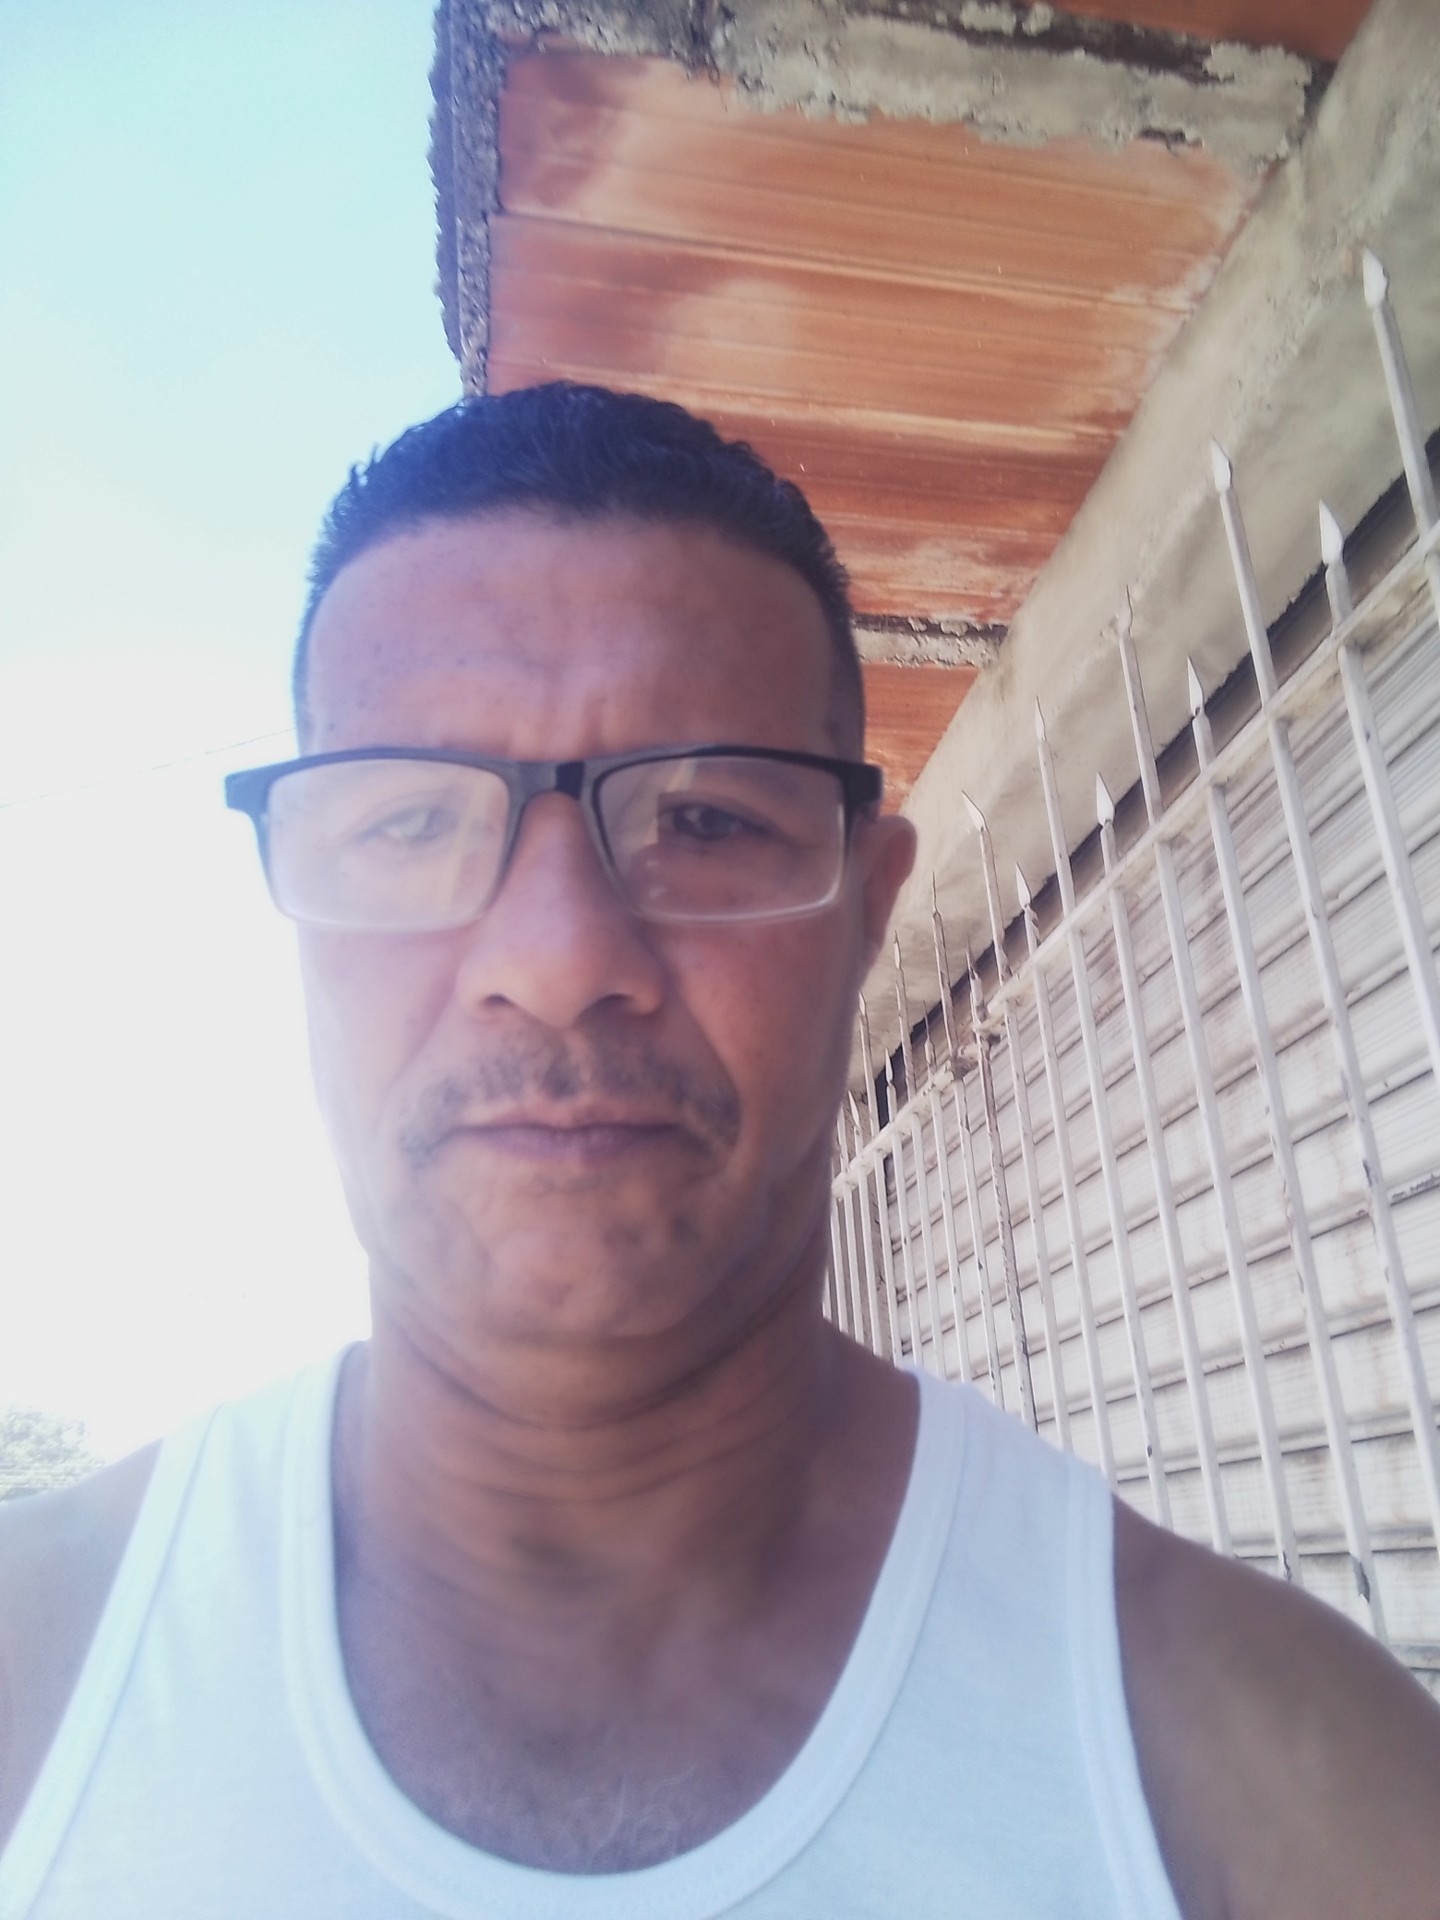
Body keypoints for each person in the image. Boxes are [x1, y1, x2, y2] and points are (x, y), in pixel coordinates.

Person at [1, 385, 1438, 1920]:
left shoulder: (1274, 1785)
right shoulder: (38, 1676)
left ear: (866, 911)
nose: (558, 960)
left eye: (702, 820)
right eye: (409, 823)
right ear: (294, 899)